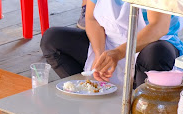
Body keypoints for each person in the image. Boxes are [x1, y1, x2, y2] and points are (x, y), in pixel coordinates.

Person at [40, 0, 183, 86]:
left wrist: (119, 53)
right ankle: (88, 91)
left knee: (157, 53)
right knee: (52, 39)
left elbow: (159, 26)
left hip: (151, 44)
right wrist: (100, 53)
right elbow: (91, 19)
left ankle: (141, 105)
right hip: (110, 42)